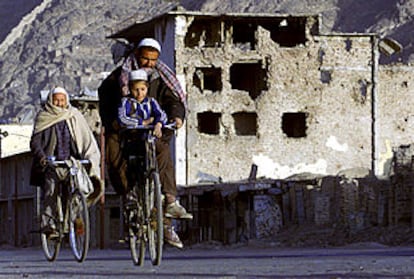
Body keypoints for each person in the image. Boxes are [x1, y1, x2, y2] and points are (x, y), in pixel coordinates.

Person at [98, 38, 191, 248]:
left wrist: (176, 118)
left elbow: (172, 101)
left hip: (150, 132)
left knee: (163, 155)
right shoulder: (117, 80)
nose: (149, 63)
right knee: (115, 158)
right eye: (145, 59)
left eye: (153, 59)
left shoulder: (161, 77)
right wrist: (114, 122)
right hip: (123, 131)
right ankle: (129, 196)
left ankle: (169, 204)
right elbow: (108, 104)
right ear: (137, 55)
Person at [30, 86, 103, 234]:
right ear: (50, 100)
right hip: (52, 163)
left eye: (62, 100)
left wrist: (90, 157)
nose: (59, 103)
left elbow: (86, 138)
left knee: (80, 189)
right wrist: (42, 156)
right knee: (51, 190)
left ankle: (75, 218)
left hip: (73, 162)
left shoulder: (74, 115)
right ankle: (49, 224)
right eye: (56, 100)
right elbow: (35, 142)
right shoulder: (44, 116)